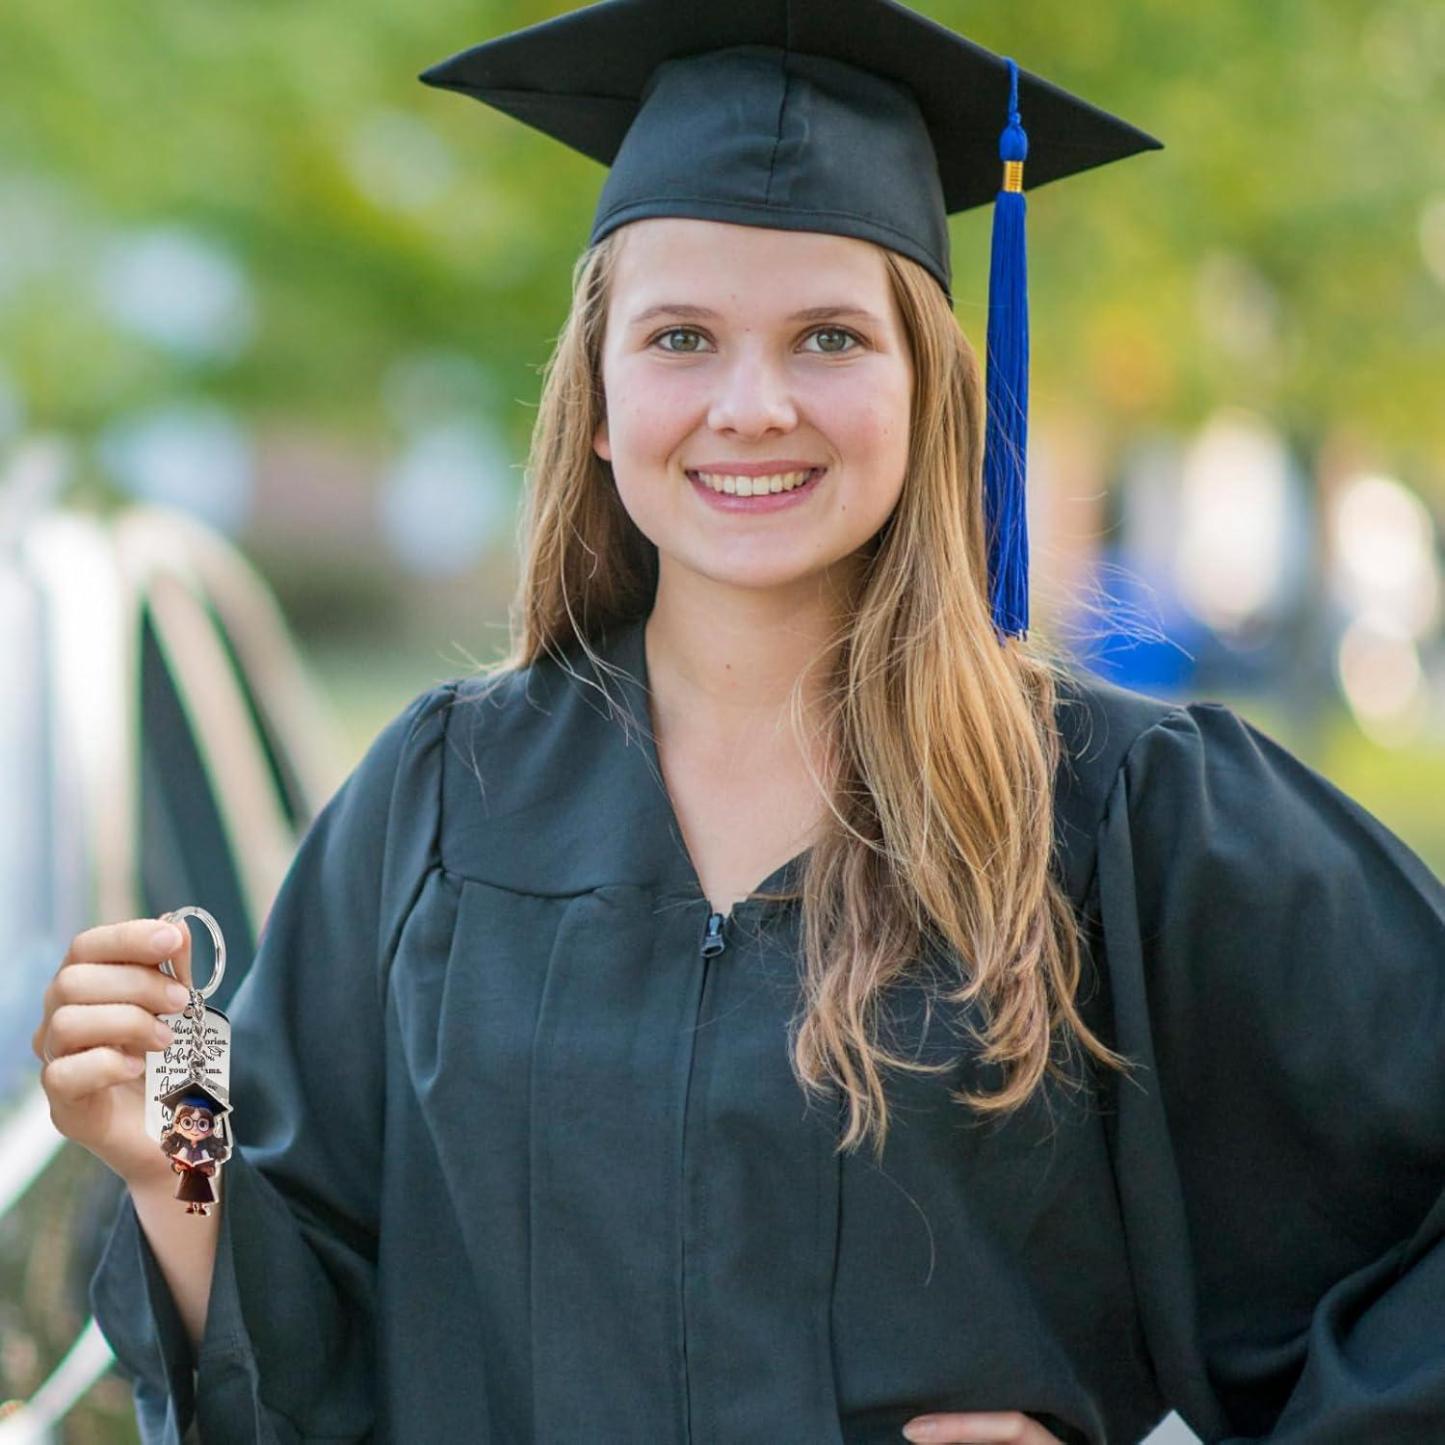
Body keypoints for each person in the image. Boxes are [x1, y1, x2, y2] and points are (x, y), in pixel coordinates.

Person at [33, 2, 1445, 1442]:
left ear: (928, 390)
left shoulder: (1118, 812)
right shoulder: (439, 801)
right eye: (681, 337)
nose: (751, 404)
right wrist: (173, 1157)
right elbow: (303, 1328)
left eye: (828, 336)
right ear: (596, 398)